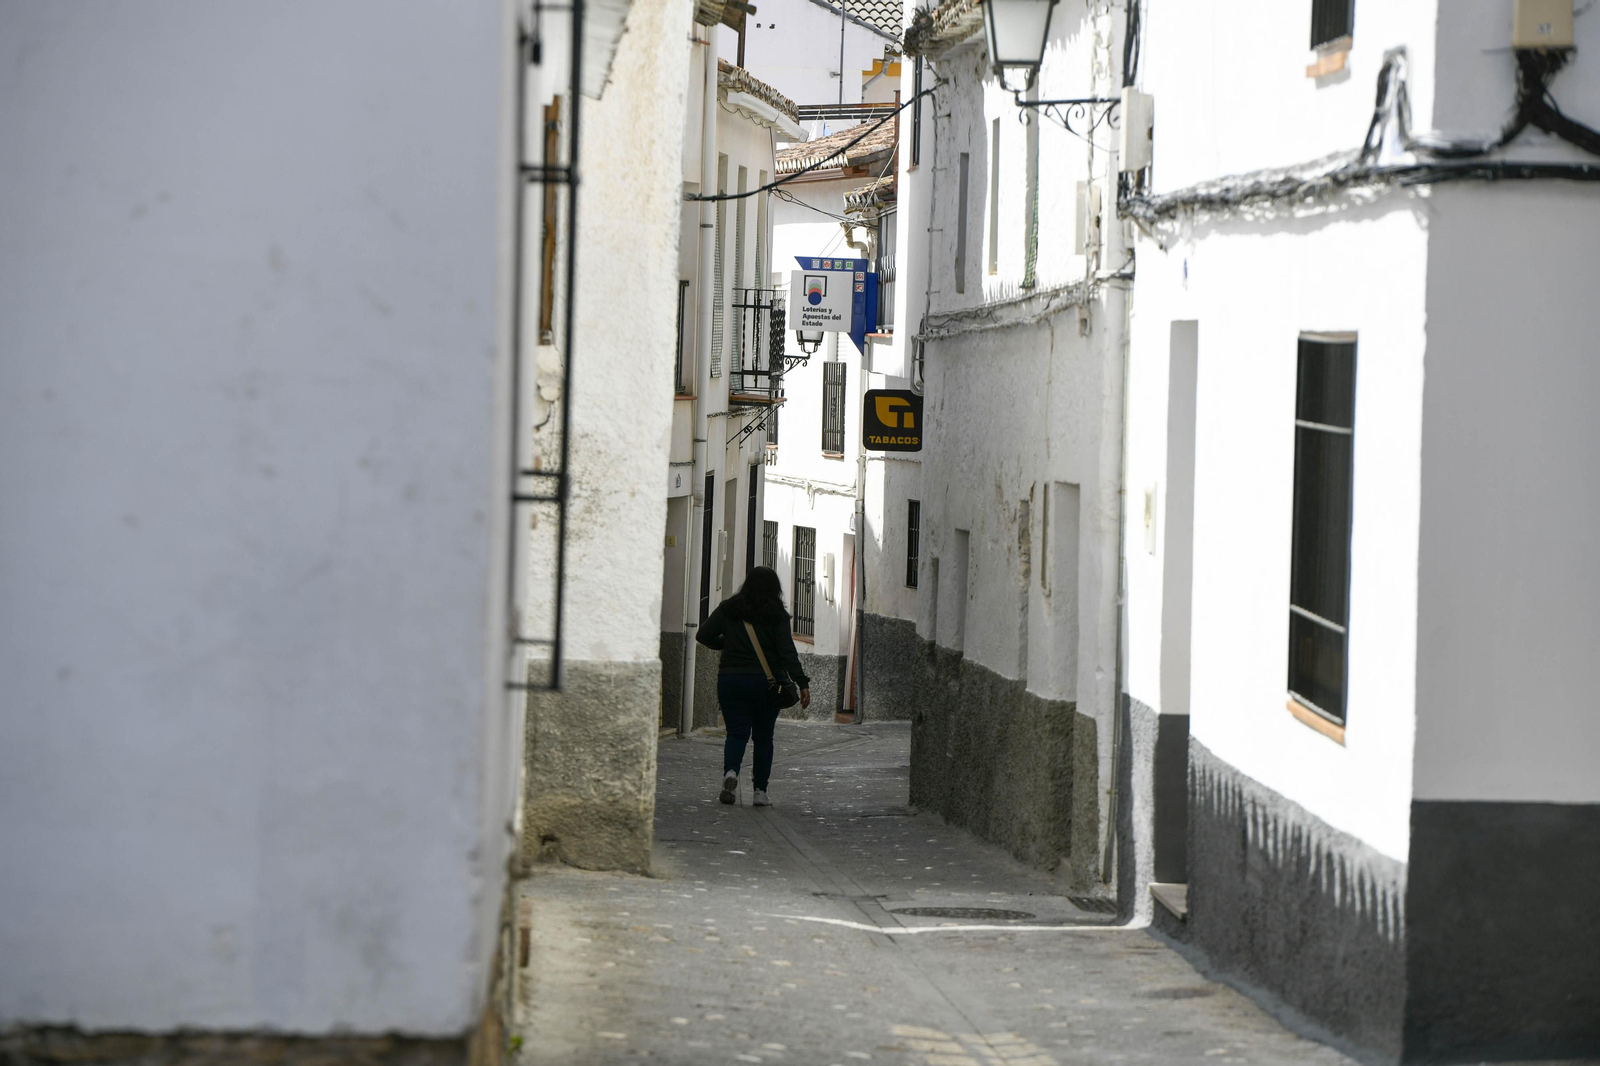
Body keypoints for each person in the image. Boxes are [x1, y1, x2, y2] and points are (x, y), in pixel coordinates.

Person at [695, 566, 811, 806]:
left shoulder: (728, 608)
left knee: (736, 733)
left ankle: (731, 773)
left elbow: (703, 635)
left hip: (731, 680)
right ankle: (760, 792)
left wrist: (727, 644)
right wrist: (802, 683)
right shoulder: (777, 614)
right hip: (768, 685)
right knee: (763, 738)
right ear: (775, 588)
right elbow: (787, 652)